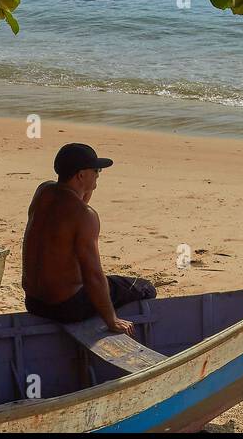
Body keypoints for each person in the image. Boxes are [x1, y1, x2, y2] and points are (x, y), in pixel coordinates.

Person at [22, 143, 155, 334]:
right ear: (81, 175)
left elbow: (72, 206)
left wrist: (87, 188)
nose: (99, 174)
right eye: (96, 170)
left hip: (34, 303)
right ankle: (119, 326)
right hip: (67, 307)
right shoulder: (85, 216)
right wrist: (111, 320)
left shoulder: (43, 192)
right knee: (145, 289)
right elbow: (93, 275)